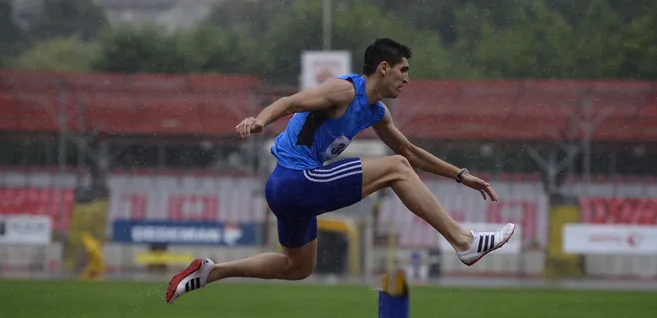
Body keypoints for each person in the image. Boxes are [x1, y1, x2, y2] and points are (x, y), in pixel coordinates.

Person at [165, 38, 515, 303]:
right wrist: (259, 121)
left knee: (298, 267)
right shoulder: (344, 91)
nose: (407, 79)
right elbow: (289, 102)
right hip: (294, 180)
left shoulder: (377, 112)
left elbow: (409, 149)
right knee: (396, 169)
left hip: (291, 191)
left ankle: (212, 271)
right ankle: (464, 242)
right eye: (403, 70)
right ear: (383, 68)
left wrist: (460, 174)